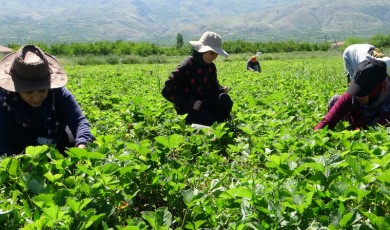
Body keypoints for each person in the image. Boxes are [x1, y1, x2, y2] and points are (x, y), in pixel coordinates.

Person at [0, 45, 94, 156]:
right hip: (22, 146)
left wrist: (81, 149)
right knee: (13, 139)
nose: (36, 98)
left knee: (82, 141)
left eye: (42, 91)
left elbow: (79, 122)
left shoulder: (59, 93)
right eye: (28, 92)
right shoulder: (5, 99)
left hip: (54, 140)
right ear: (17, 89)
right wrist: (20, 163)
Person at [161, 31, 233, 126]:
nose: (214, 57)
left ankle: (214, 122)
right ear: (201, 50)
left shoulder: (211, 67)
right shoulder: (185, 66)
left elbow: (213, 85)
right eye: (211, 53)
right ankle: (213, 123)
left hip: (205, 103)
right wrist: (190, 103)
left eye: (216, 54)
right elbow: (166, 91)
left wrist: (220, 89)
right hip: (189, 109)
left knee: (225, 99)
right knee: (212, 121)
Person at [314, 59, 390, 131]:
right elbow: (328, 120)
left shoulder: (386, 96)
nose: (358, 95)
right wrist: (317, 134)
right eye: (357, 89)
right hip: (359, 121)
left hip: (379, 123)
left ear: (378, 87)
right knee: (335, 100)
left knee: (379, 128)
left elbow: (378, 133)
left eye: (363, 91)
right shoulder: (353, 94)